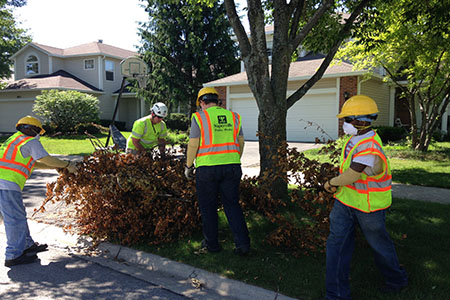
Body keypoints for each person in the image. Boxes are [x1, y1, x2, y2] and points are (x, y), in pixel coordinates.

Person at [322, 95, 408, 299]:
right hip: (346, 201)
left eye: (348, 120)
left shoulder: (369, 145)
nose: (345, 124)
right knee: (337, 245)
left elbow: (353, 174)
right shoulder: (356, 138)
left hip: (369, 207)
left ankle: (396, 279)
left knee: (380, 246)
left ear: (362, 121)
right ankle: (335, 295)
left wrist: (330, 183)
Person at [0, 116, 77, 267]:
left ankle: (27, 245)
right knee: (14, 219)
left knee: (18, 215)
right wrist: (67, 164)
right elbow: (46, 158)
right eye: (38, 132)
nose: (38, 135)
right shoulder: (30, 141)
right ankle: (13, 255)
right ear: (32, 129)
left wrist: (58, 167)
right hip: (7, 183)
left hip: (4, 183)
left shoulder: (14, 139)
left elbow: (33, 163)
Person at [185, 87, 250, 255]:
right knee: (232, 205)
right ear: (217, 100)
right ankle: (243, 245)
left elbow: (193, 143)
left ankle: (212, 246)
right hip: (232, 167)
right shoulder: (234, 117)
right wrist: (234, 159)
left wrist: (188, 165)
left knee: (208, 208)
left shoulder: (199, 117)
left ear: (201, 102)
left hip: (207, 169)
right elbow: (241, 142)